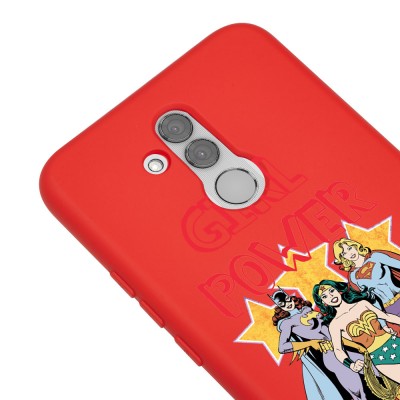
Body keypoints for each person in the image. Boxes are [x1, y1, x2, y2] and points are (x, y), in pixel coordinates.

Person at [270, 288, 370, 400]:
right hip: (328, 354)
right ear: (279, 306)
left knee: (371, 371)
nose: (287, 304)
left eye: (287, 300)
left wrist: (355, 345)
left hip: (341, 346)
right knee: (356, 390)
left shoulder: (307, 310)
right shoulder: (286, 323)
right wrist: (311, 343)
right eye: (282, 304)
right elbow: (282, 347)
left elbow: (330, 332)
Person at [313, 280, 400, 399]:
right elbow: (338, 350)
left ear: (339, 291)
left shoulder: (362, 304)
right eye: (325, 296)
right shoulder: (335, 325)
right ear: (323, 302)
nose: (331, 296)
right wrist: (351, 364)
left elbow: (387, 317)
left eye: (332, 291)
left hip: (395, 342)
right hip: (381, 357)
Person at [333, 238, 400, 317]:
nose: (350, 253)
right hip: (389, 310)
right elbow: (367, 299)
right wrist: (382, 318)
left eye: (349, 248)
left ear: (355, 246)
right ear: (343, 258)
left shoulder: (375, 257)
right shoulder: (353, 277)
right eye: (344, 253)